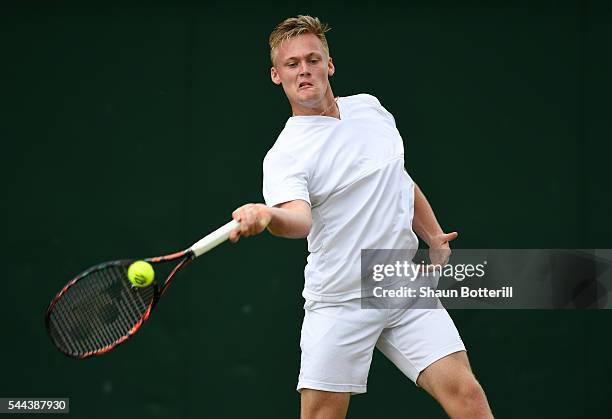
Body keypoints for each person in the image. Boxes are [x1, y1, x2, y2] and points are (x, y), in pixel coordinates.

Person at [229, 15, 493, 419]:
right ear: (276, 75)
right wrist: (267, 216)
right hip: (340, 301)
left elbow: (397, 178)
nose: (304, 71)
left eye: (312, 59)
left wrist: (434, 235)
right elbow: (298, 221)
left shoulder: (370, 109)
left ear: (329, 65)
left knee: (467, 395)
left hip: (401, 287)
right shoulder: (286, 154)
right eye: (292, 64)